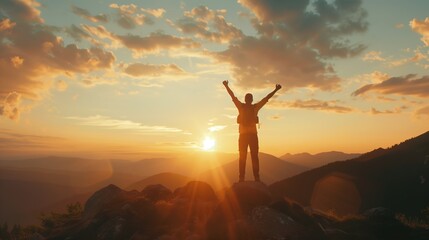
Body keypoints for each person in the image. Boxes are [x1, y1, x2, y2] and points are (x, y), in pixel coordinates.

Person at [223, 80, 282, 182]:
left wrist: (226, 86)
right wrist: (275, 90)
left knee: (242, 157)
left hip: (243, 136)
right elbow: (266, 98)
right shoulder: (255, 107)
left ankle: (241, 178)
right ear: (252, 99)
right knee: (254, 157)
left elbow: (232, 96)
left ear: (245, 99)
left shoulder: (240, 107)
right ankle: (257, 178)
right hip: (253, 136)